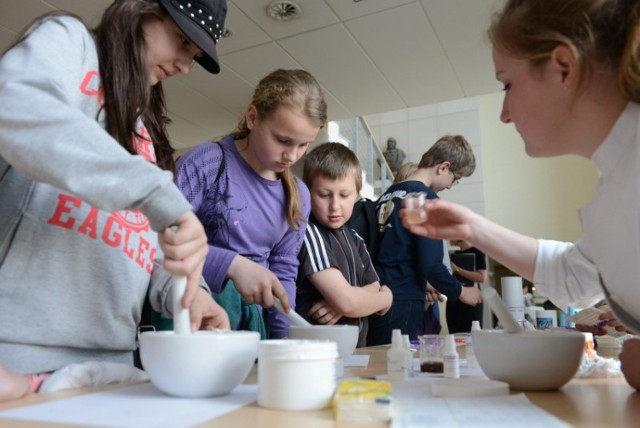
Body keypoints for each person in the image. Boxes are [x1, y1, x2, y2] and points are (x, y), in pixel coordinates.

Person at [401, 0, 640, 390]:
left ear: (564, 68)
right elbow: (576, 276)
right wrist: (473, 228)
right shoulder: (614, 181)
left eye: (507, 84)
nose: (505, 113)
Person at [0, 0, 231, 401]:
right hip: (18, 363)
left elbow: (142, 246)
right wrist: (159, 195)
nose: (184, 66)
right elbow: (16, 105)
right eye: (181, 40)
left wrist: (191, 294)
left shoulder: (146, 132)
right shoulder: (70, 44)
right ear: (142, 9)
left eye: (193, 56)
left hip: (112, 371)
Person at [175, 69, 327, 339]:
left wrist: (282, 344)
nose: (291, 156)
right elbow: (162, 238)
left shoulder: (299, 195)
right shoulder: (206, 164)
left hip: (252, 327)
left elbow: (283, 273)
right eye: (282, 140)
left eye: (304, 145)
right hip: (194, 319)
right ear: (253, 117)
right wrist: (232, 264)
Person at [367, 135, 483, 345]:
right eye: (455, 178)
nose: (450, 186)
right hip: (403, 299)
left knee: (381, 361)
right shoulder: (423, 199)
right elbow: (431, 264)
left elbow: (400, 249)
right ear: (443, 167)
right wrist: (462, 291)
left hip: (379, 294)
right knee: (397, 366)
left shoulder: (390, 194)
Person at [295, 143, 393, 347]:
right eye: (324, 195)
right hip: (320, 353)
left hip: (357, 350)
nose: (334, 206)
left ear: (357, 194)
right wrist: (386, 297)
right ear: (307, 192)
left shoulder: (355, 238)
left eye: (344, 195)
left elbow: (372, 288)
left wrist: (348, 303)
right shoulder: (309, 233)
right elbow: (351, 301)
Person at [446, 239, 487, 333]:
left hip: (472, 299)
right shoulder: (455, 254)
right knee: (454, 332)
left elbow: (482, 277)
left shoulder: (478, 251)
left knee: (472, 332)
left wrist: (457, 269)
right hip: (455, 298)